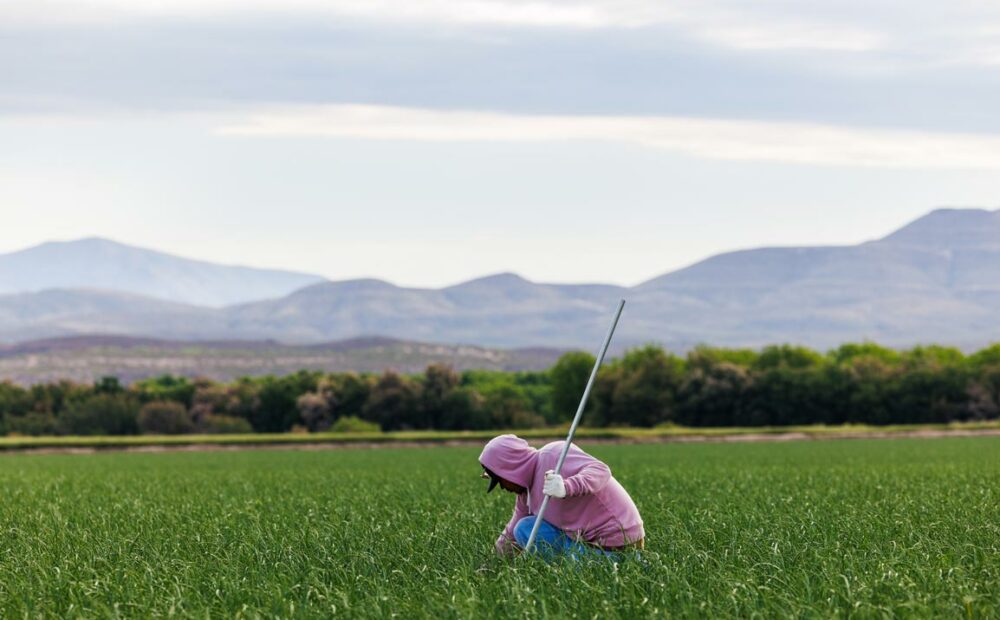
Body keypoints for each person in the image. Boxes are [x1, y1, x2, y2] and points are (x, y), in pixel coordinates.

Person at [479, 434, 644, 559]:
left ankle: (629, 563)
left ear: (510, 468)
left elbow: (601, 470)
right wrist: (494, 561)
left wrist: (566, 487)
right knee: (524, 528)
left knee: (571, 572)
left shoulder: (554, 454)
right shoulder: (525, 493)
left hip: (618, 539)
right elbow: (511, 535)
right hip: (586, 543)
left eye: (500, 480)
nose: (502, 487)